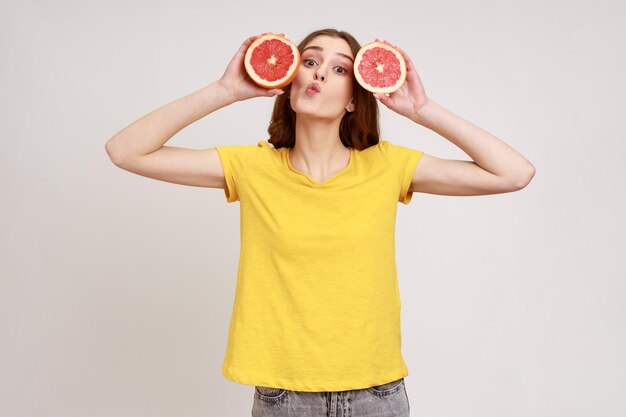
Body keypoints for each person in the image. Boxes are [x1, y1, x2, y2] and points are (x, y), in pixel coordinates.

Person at [105, 28, 535, 417]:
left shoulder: (387, 167)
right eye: (309, 61)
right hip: (284, 397)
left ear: (354, 97)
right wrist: (224, 90)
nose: (319, 74)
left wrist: (422, 109)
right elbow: (126, 151)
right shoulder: (252, 167)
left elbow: (513, 173)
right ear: (289, 82)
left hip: (377, 395)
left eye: (339, 68)